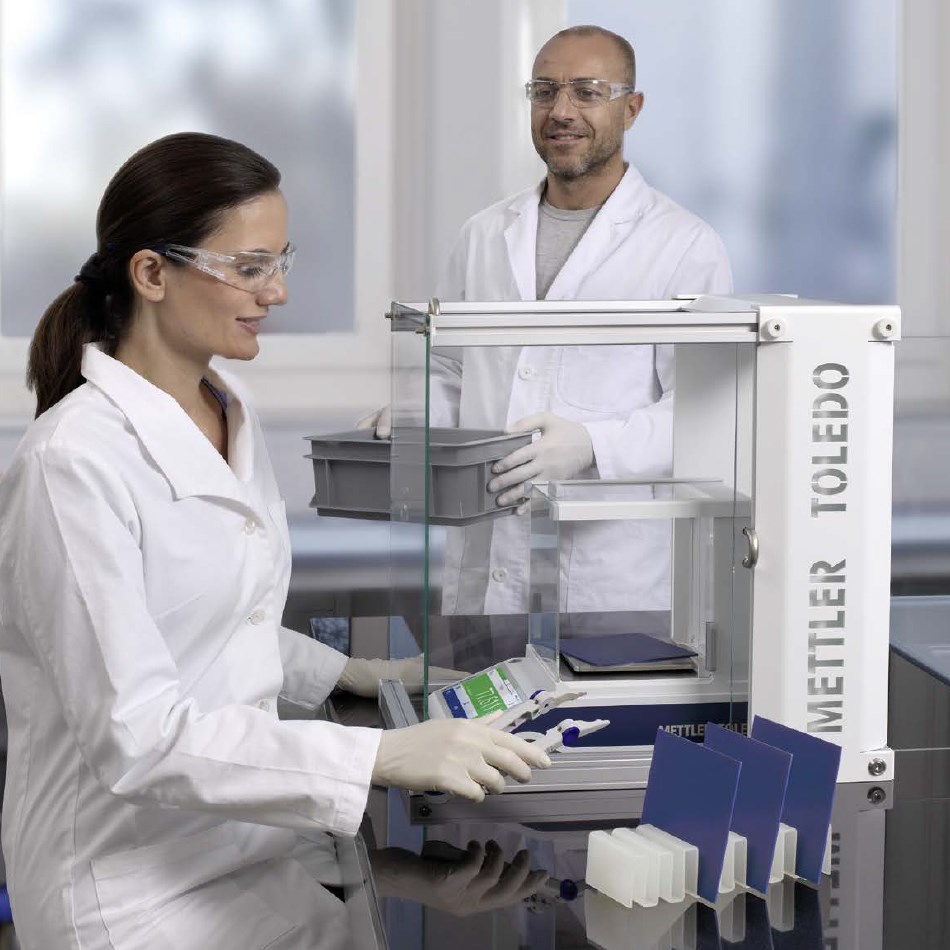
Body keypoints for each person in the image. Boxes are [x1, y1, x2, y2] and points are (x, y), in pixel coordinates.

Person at [0, 132, 550, 950]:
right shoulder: (70, 463)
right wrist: (379, 757)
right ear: (151, 274)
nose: (279, 291)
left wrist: (357, 674)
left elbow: (219, 622)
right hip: (128, 892)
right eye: (250, 267)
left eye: (280, 262)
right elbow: (140, 736)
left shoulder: (227, 407)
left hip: (247, 853)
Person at [364, 25, 733, 617]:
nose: (561, 111)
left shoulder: (685, 245)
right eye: (544, 91)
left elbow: (705, 410)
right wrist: (419, 412)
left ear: (631, 108)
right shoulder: (485, 234)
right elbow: (452, 370)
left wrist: (594, 445)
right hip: (484, 565)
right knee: (478, 680)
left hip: (608, 577)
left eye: (587, 91)